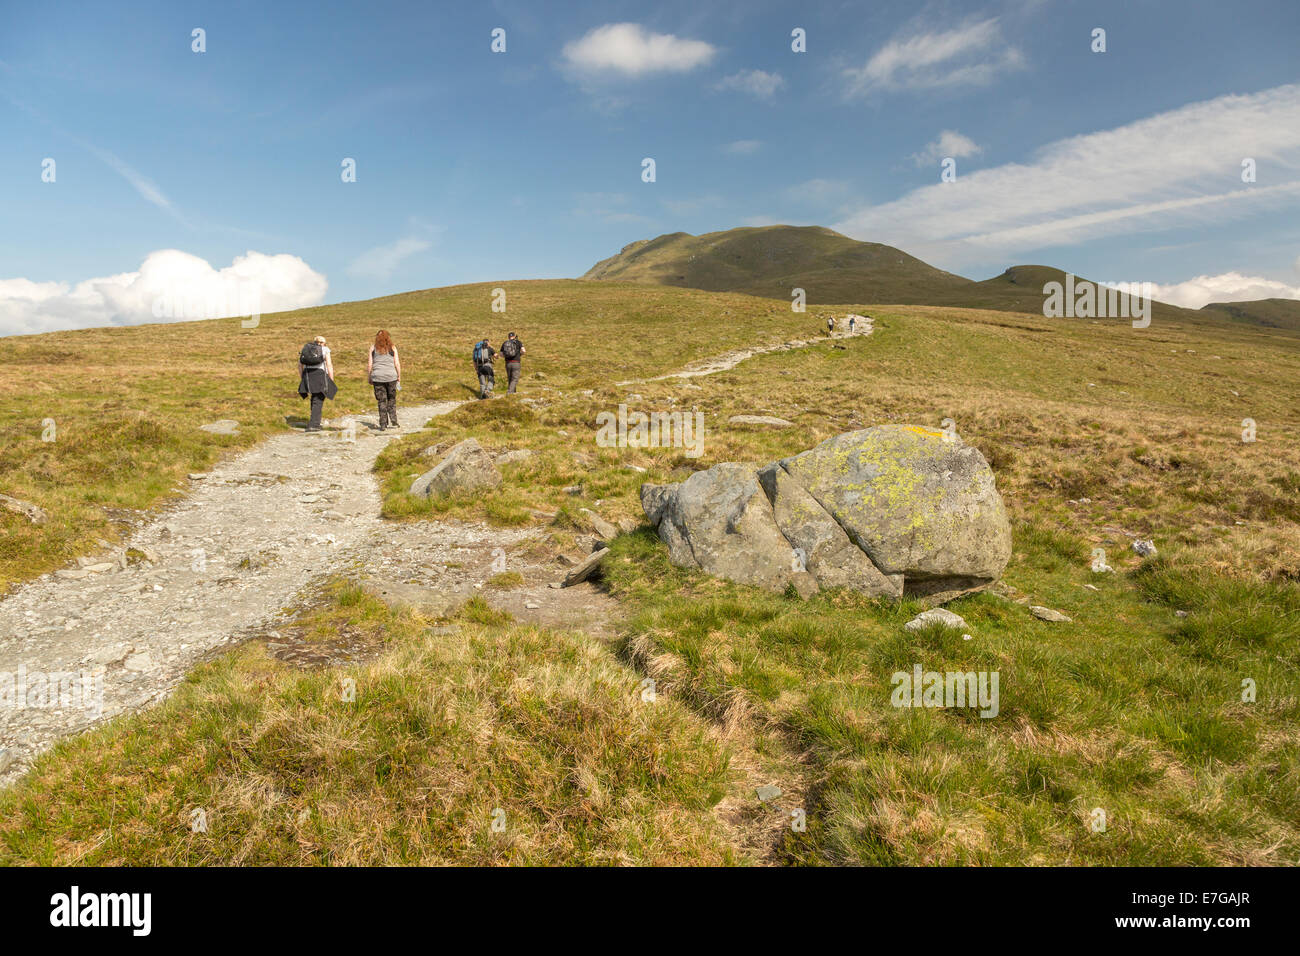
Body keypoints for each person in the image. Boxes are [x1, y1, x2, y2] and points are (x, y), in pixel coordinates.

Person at [298, 335, 337, 432]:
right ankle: (314, 425)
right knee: (318, 399)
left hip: (308, 375)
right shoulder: (325, 349)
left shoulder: (306, 349)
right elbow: (329, 365)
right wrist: (331, 379)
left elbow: (299, 365)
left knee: (314, 398)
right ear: (324, 343)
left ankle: (314, 421)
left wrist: (302, 377)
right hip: (319, 375)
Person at [367, 329, 402, 431]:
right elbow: (397, 364)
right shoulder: (393, 348)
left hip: (377, 377)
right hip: (391, 377)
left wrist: (370, 377)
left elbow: (370, 364)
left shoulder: (373, 348)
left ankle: (383, 424)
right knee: (392, 399)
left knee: (381, 400)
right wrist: (399, 376)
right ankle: (394, 421)